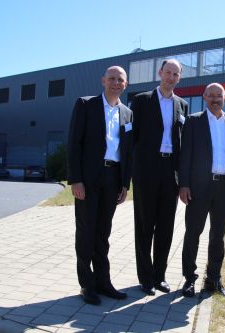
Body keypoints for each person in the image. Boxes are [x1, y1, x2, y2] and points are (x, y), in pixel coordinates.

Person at [67, 66, 132, 305]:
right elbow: (74, 144)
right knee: (86, 231)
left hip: (113, 178)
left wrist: (125, 183)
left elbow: (128, 151)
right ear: (103, 80)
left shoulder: (127, 113)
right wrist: (76, 180)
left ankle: (104, 282)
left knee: (103, 232)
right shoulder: (85, 105)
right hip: (89, 178)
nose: (116, 82)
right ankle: (87, 285)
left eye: (120, 80)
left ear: (126, 84)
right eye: (111, 78)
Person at [179, 83, 225, 298]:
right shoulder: (194, 121)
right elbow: (185, 155)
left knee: (219, 235)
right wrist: (184, 185)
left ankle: (213, 279)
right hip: (199, 186)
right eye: (211, 95)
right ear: (204, 97)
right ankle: (189, 279)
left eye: (219, 95)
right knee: (193, 232)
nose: (215, 99)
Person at [131, 59, 188, 295]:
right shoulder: (142, 100)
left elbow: (183, 143)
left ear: (179, 78)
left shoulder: (182, 105)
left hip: (170, 172)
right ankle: (145, 278)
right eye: (168, 72)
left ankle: (159, 276)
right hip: (147, 171)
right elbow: (132, 139)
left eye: (176, 74)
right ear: (160, 73)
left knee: (165, 227)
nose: (171, 77)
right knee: (145, 226)